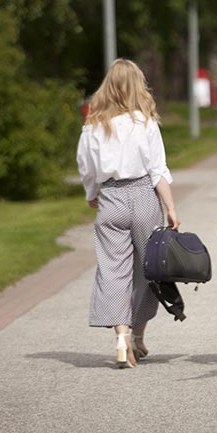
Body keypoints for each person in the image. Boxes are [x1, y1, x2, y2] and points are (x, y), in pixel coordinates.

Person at [77, 58, 179, 369]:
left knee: (112, 270)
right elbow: (157, 169)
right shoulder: (145, 122)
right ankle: (138, 335)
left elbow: (87, 168)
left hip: (111, 198)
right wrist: (171, 208)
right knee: (149, 269)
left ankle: (121, 340)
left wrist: (92, 194)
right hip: (143, 195)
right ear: (138, 86)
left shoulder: (93, 126)